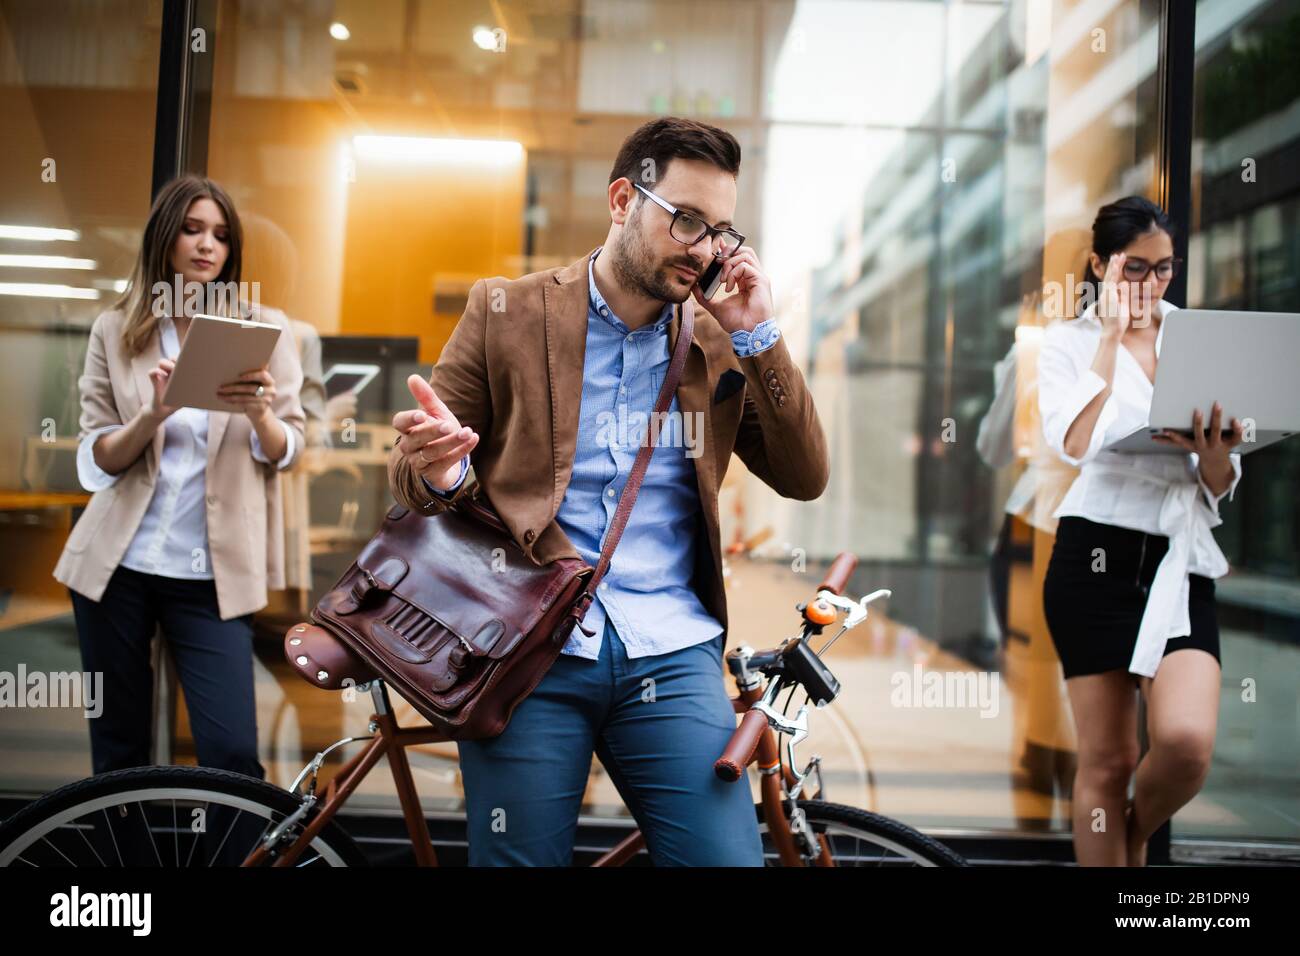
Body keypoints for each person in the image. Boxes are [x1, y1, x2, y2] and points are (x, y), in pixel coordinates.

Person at [387, 117, 829, 866]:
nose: (704, 248)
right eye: (686, 220)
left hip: (672, 648)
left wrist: (758, 333)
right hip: (526, 644)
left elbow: (804, 476)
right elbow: (414, 478)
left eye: (720, 231)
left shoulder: (721, 338)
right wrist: (443, 472)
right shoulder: (509, 312)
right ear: (624, 199)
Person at [53, 174, 306, 779]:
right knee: (118, 757)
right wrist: (153, 413)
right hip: (118, 570)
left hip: (212, 575)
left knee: (231, 755)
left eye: (220, 235)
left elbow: (289, 450)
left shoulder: (263, 328)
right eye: (192, 229)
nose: (206, 245)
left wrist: (259, 411)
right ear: (165, 239)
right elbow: (96, 460)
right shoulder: (116, 330)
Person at [1037, 196, 1243, 866]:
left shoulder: (1195, 337)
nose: (1151, 285)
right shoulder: (1066, 343)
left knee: (1184, 742)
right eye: (1135, 269)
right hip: (1093, 556)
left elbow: (1219, 481)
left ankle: (1132, 836)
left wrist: (1215, 453)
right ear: (1100, 264)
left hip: (1178, 561)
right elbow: (1071, 443)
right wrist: (1106, 337)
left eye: (1164, 269)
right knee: (1109, 758)